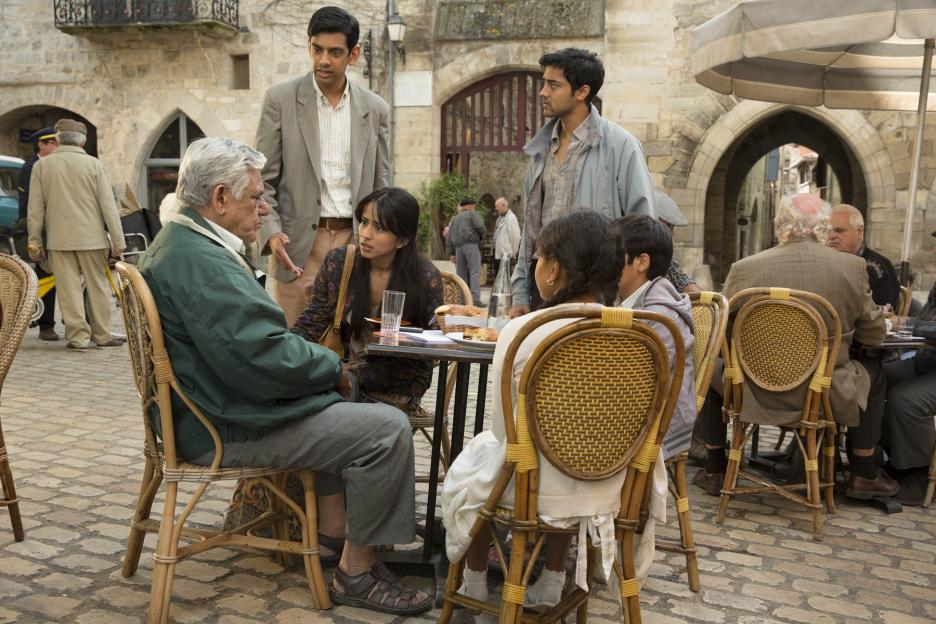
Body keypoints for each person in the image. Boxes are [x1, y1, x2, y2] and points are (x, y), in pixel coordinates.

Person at [137, 137, 431, 615]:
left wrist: (320, 372)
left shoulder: (183, 244)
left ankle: (332, 535)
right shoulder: (201, 263)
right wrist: (331, 367)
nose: (265, 206)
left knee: (338, 409)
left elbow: (257, 349)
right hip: (219, 424)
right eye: (256, 196)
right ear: (220, 199)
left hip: (203, 409)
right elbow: (263, 361)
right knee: (385, 428)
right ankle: (357, 573)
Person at [442, 210, 667, 609]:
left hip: (536, 486)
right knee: (569, 449)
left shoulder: (526, 332)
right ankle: (552, 578)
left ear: (554, 270)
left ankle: (474, 582)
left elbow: (503, 431)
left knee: (483, 453)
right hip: (609, 483)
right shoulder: (639, 336)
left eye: (540, 258)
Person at [693, 194, 893, 500]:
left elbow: (719, 332)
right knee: (874, 372)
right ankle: (864, 474)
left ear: (779, 227)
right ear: (824, 228)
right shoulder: (852, 268)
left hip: (751, 388)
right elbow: (874, 335)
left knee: (707, 367)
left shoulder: (745, 268)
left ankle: (715, 468)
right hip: (821, 392)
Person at [256, 5, 390, 327]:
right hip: (298, 247)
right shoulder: (280, 100)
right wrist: (272, 235)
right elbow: (261, 180)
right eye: (317, 49)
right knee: (295, 348)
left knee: (350, 346)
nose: (323, 60)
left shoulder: (375, 109)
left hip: (356, 242)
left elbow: (382, 185)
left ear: (353, 54)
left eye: (334, 52)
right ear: (309, 46)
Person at [510, 48, 655, 316]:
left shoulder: (622, 146)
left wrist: (625, 293)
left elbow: (644, 227)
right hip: (541, 285)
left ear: (581, 92)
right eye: (544, 83)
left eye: (553, 85)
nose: (542, 92)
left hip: (594, 292)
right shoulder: (539, 151)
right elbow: (529, 227)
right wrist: (519, 290)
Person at [26, 119, 126, 351]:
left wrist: (34, 241)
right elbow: (108, 206)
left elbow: (35, 209)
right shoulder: (94, 165)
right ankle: (101, 335)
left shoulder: (42, 166)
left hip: (59, 240)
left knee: (68, 290)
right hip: (92, 239)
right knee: (98, 287)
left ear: (58, 138)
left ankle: (78, 337)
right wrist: (118, 241)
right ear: (82, 140)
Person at [615, 215, 696, 460]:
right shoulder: (631, 300)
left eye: (613, 255)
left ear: (641, 262)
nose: (604, 263)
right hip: (636, 411)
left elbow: (637, 380)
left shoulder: (661, 316)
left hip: (660, 426)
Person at [880, 230, 936, 505]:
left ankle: (918, 472)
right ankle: (888, 458)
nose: (935, 251)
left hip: (931, 366)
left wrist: (907, 324)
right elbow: (927, 318)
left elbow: (921, 324)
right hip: (926, 360)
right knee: (875, 378)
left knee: (906, 399)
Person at [17, 126, 59, 341]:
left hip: (55, 229)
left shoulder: (52, 165)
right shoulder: (31, 167)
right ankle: (46, 326)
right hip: (39, 229)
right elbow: (29, 205)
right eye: (52, 142)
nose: (56, 145)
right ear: (40, 144)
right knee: (46, 276)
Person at [827, 203, 900, 309]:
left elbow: (886, 312)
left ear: (859, 232)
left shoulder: (877, 267)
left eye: (839, 231)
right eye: (828, 231)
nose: (831, 236)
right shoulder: (823, 263)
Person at [654, 189, 700, 294]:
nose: (672, 233)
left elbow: (681, 281)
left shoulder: (664, 254)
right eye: (670, 226)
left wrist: (711, 301)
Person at [446, 197, 485, 304]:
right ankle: (475, 299)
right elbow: (481, 227)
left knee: (461, 274)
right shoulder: (472, 214)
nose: (474, 208)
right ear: (469, 206)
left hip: (458, 248)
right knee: (475, 272)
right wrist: (481, 235)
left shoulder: (454, 219)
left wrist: (451, 253)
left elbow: (449, 237)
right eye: (473, 206)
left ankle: (463, 299)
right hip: (471, 245)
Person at [492, 196, 521, 267]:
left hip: (506, 254)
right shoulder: (500, 218)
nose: (496, 209)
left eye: (497, 206)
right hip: (498, 253)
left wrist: (513, 252)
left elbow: (515, 237)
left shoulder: (511, 218)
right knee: (498, 276)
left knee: (505, 277)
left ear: (503, 205)